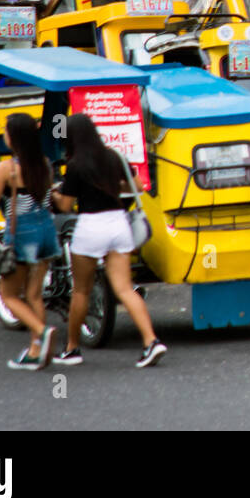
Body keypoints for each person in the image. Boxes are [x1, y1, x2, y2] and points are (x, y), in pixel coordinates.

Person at [52, 114, 166, 368]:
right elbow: (136, 185)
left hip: (91, 226)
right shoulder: (113, 156)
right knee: (124, 289)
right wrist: (111, 184)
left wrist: (56, 194)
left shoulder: (75, 165)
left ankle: (71, 348)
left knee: (81, 290)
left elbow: (66, 205)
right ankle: (151, 341)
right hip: (118, 224)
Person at [0, 113, 60, 371]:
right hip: (47, 231)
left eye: (5, 129)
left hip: (23, 234)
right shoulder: (44, 163)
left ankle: (41, 331)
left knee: (10, 294)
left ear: (13, 137)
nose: (3, 133)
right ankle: (37, 349)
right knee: (34, 294)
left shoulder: (7, 168)